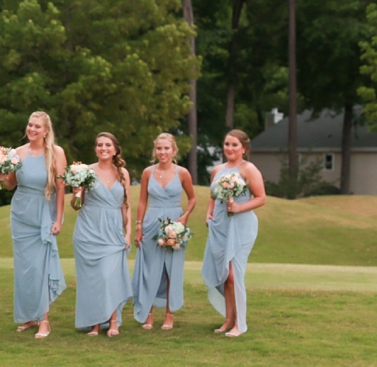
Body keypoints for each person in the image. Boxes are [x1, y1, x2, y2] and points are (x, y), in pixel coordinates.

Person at [0, 111, 67, 339]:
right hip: (21, 213)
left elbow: (60, 190)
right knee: (25, 268)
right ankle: (30, 316)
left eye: (37, 126)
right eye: (30, 125)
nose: (32, 129)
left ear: (46, 131)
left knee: (41, 268)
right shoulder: (17, 153)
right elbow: (10, 184)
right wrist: (2, 176)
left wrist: (58, 219)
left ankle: (44, 320)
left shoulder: (56, 153)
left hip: (44, 212)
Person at [202, 129, 266, 337]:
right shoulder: (218, 170)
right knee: (224, 275)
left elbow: (261, 198)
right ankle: (228, 320)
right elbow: (212, 196)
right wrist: (209, 214)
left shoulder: (249, 169)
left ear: (244, 149)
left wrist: (238, 207)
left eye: (234, 145)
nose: (229, 148)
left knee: (233, 274)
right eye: (227, 144)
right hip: (220, 225)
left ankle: (240, 323)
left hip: (241, 225)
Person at [71, 133, 133, 336]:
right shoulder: (85, 171)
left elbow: (126, 205)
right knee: (93, 279)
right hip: (89, 230)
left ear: (115, 149)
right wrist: (77, 192)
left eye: (107, 145)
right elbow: (76, 206)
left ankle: (113, 321)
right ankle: (96, 323)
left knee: (110, 276)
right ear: (95, 149)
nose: (103, 148)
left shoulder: (122, 173)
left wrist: (128, 232)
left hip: (113, 231)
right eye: (99, 145)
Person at [132, 133, 196, 330]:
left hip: (174, 225)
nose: (163, 152)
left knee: (171, 270)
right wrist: (138, 225)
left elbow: (192, 198)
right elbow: (143, 200)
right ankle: (148, 313)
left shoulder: (183, 172)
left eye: (166, 148)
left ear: (174, 150)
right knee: (150, 269)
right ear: (155, 151)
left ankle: (169, 314)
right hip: (151, 223)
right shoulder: (147, 173)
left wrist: (184, 216)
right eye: (159, 148)